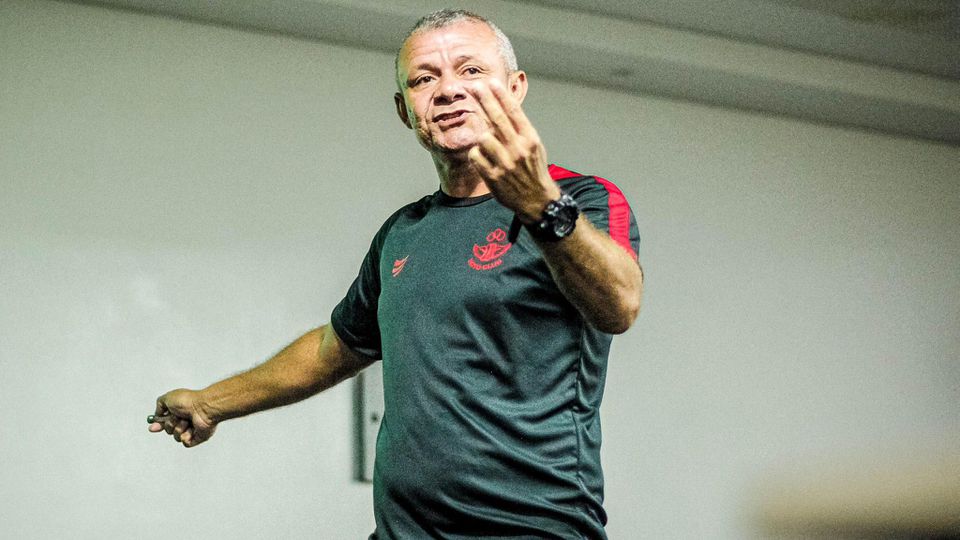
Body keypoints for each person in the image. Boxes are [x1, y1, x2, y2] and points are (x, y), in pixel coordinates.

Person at [149, 9, 643, 539]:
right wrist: (209, 402)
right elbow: (332, 349)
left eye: (470, 70)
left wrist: (542, 205)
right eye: (424, 78)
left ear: (516, 88)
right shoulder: (402, 232)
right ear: (405, 112)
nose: (448, 90)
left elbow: (619, 304)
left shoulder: (581, 199)